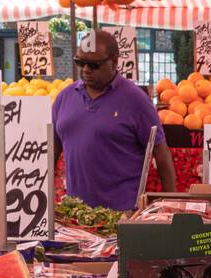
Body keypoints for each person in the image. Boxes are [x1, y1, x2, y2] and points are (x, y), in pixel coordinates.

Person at [52, 30, 176, 211]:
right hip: (76, 215)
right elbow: (50, 153)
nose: (86, 69)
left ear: (115, 62)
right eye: (80, 62)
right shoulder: (64, 98)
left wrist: (169, 207)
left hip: (122, 216)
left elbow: (162, 154)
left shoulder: (136, 100)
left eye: (94, 65)